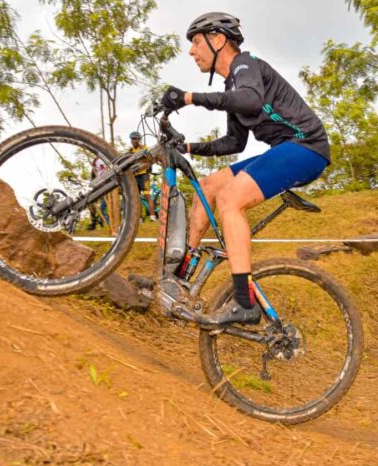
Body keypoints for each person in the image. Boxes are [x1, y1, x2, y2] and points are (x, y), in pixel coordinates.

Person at [160, 12, 330, 325]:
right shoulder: (233, 83)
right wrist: (186, 148)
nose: (191, 51)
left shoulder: (244, 66)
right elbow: (234, 143)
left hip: (307, 147)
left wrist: (188, 98)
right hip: (288, 150)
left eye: (196, 42)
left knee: (229, 200)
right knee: (210, 185)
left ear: (218, 40)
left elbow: (250, 101)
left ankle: (245, 302)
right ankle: (180, 278)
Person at [129, 131, 156, 222]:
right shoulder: (130, 151)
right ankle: (140, 218)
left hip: (144, 175)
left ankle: (152, 216)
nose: (135, 140)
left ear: (139, 139)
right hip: (135, 176)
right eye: (133, 139)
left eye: (136, 139)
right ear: (131, 140)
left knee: (147, 195)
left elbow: (151, 159)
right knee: (137, 197)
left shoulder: (144, 148)